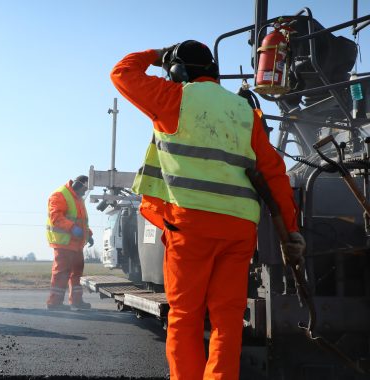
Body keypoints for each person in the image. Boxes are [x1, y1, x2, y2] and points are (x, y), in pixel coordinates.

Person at [111, 41, 303, 379]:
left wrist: (157, 54)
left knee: (185, 316)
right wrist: (291, 231)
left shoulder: (174, 98)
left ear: (177, 71)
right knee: (227, 321)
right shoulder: (245, 111)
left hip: (191, 227)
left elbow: (122, 73)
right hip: (239, 231)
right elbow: (275, 175)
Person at [45, 175, 94, 311]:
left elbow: (81, 220)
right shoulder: (60, 195)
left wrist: (88, 234)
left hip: (77, 243)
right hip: (64, 242)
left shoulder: (77, 198)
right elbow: (56, 217)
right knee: (61, 272)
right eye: (85, 189)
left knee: (77, 272)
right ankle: (54, 303)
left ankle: (76, 301)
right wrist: (72, 228)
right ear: (79, 185)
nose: (85, 193)